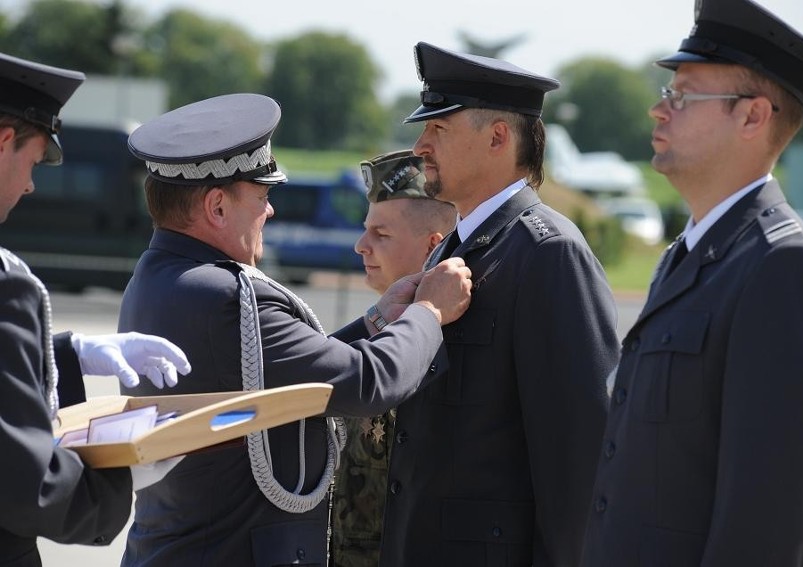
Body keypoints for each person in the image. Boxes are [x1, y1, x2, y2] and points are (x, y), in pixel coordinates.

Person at [117, 92, 472, 566]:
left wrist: (377, 320)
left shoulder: (160, 276)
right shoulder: (226, 296)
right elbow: (367, 383)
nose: (270, 212)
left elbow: (285, 371)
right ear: (218, 207)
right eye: (262, 197)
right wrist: (430, 310)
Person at [581, 0, 803, 565]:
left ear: (753, 117)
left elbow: (773, 522)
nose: (659, 110)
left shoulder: (785, 268)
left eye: (682, 95)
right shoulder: (693, 251)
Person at [378, 42, 621, 567]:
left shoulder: (547, 252)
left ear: (497, 137)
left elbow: (578, 459)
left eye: (438, 128)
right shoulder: (460, 243)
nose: (420, 145)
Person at [0, 51, 192, 567]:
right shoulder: (4, 286)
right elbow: (23, 485)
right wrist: (120, 478)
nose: (30, 184)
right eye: (34, 161)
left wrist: (64, 355)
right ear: (3, 144)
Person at [332, 149, 456, 567]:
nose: (361, 245)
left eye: (381, 235)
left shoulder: (454, 342)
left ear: (432, 247)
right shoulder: (378, 327)